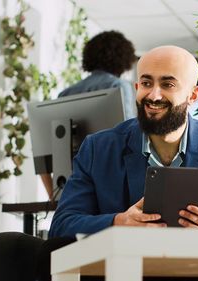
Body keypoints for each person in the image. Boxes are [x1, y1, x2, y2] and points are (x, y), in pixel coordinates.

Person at [48, 45, 198, 238]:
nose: (154, 95)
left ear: (193, 96)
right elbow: (63, 224)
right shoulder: (97, 149)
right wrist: (118, 221)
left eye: (167, 84)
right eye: (147, 83)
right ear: (137, 87)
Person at [41, 30, 137, 200]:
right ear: (124, 58)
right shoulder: (119, 86)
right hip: (111, 179)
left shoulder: (66, 93)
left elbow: (54, 145)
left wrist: (53, 195)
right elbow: (129, 133)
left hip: (75, 180)